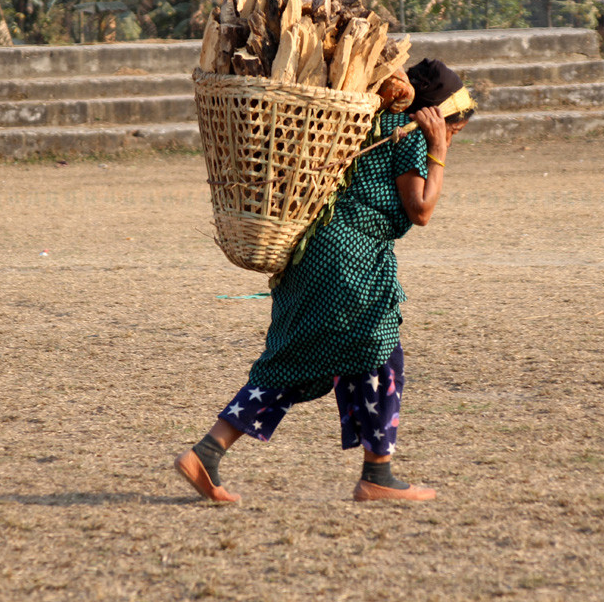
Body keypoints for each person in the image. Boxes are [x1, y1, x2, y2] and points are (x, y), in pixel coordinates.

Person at [176, 58, 473, 503]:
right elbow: (421, 210)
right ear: (433, 114)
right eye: (454, 128)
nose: (452, 136)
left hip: (313, 251)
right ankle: (378, 475)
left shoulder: (369, 118)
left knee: (299, 361)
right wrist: (438, 150)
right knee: (378, 355)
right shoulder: (411, 135)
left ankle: (209, 451)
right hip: (349, 261)